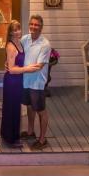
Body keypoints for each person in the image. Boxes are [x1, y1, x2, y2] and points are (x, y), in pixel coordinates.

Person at [1, 20, 40, 147]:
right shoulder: (11, 46)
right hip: (12, 81)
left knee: (16, 109)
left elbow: (10, 64)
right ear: (10, 32)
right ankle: (10, 139)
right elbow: (11, 69)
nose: (17, 32)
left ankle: (11, 135)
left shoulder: (20, 42)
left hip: (18, 80)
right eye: (14, 30)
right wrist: (27, 69)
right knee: (11, 109)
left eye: (18, 29)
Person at [21, 14, 52, 150]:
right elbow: (17, 54)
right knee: (29, 106)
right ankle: (30, 132)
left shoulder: (45, 45)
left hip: (37, 83)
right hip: (25, 81)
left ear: (41, 27)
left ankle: (42, 139)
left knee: (40, 110)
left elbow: (38, 66)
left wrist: (18, 69)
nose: (33, 27)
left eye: (37, 25)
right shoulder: (25, 39)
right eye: (32, 24)